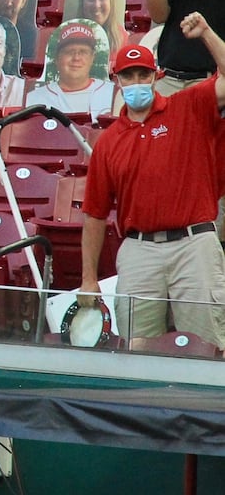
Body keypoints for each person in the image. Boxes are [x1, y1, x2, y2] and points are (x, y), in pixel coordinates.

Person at [81, 31, 225, 349]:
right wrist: (88, 278)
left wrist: (206, 35)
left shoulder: (187, 106)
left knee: (208, 344)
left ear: (155, 76)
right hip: (139, 248)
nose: (136, 81)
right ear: (116, 79)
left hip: (194, 242)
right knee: (136, 344)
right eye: (128, 75)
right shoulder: (108, 142)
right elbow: (94, 215)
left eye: (143, 74)